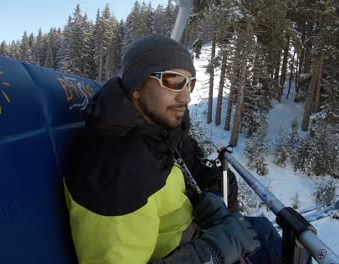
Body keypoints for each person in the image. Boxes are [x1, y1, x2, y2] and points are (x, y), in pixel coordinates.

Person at [64, 33, 281, 264]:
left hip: (188, 235)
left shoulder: (154, 133)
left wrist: (202, 205)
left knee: (265, 232)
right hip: (188, 251)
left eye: (191, 83)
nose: (186, 96)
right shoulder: (116, 175)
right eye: (174, 80)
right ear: (136, 86)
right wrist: (212, 252)